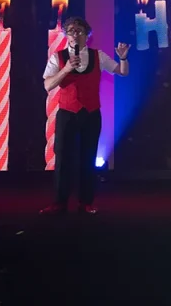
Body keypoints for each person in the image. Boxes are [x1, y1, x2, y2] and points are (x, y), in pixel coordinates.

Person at [41, 17, 129, 215]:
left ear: (87, 35)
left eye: (79, 30)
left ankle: (85, 202)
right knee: (63, 158)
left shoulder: (98, 56)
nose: (75, 33)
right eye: (71, 30)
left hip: (90, 113)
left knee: (88, 158)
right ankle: (59, 202)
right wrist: (66, 68)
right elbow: (48, 85)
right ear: (66, 35)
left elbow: (122, 73)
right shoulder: (58, 57)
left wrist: (123, 58)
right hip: (67, 113)